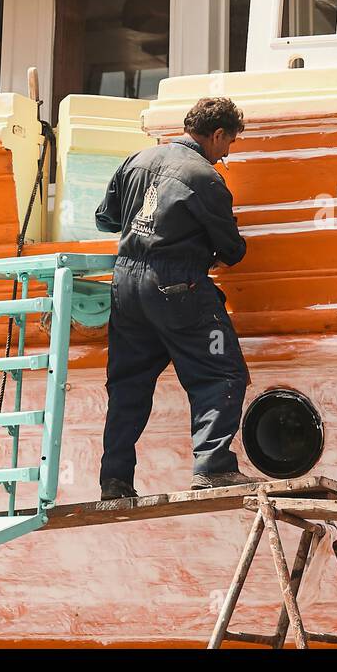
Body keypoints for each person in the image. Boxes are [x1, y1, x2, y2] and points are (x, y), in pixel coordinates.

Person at [95, 96, 261, 497]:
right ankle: (213, 467)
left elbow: (107, 218)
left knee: (129, 383)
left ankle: (115, 480)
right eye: (230, 143)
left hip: (125, 285)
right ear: (217, 134)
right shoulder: (205, 176)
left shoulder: (137, 160)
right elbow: (233, 250)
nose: (227, 153)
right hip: (177, 286)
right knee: (221, 372)